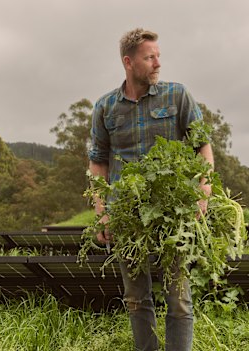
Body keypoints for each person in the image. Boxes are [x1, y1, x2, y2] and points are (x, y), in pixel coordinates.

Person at [88, 28, 214, 351]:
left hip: (174, 212)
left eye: (158, 55)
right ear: (129, 63)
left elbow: (203, 146)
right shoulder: (105, 108)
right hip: (127, 215)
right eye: (150, 57)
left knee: (179, 298)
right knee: (136, 298)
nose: (158, 62)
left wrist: (203, 191)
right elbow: (98, 163)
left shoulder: (177, 95)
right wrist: (102, 212)